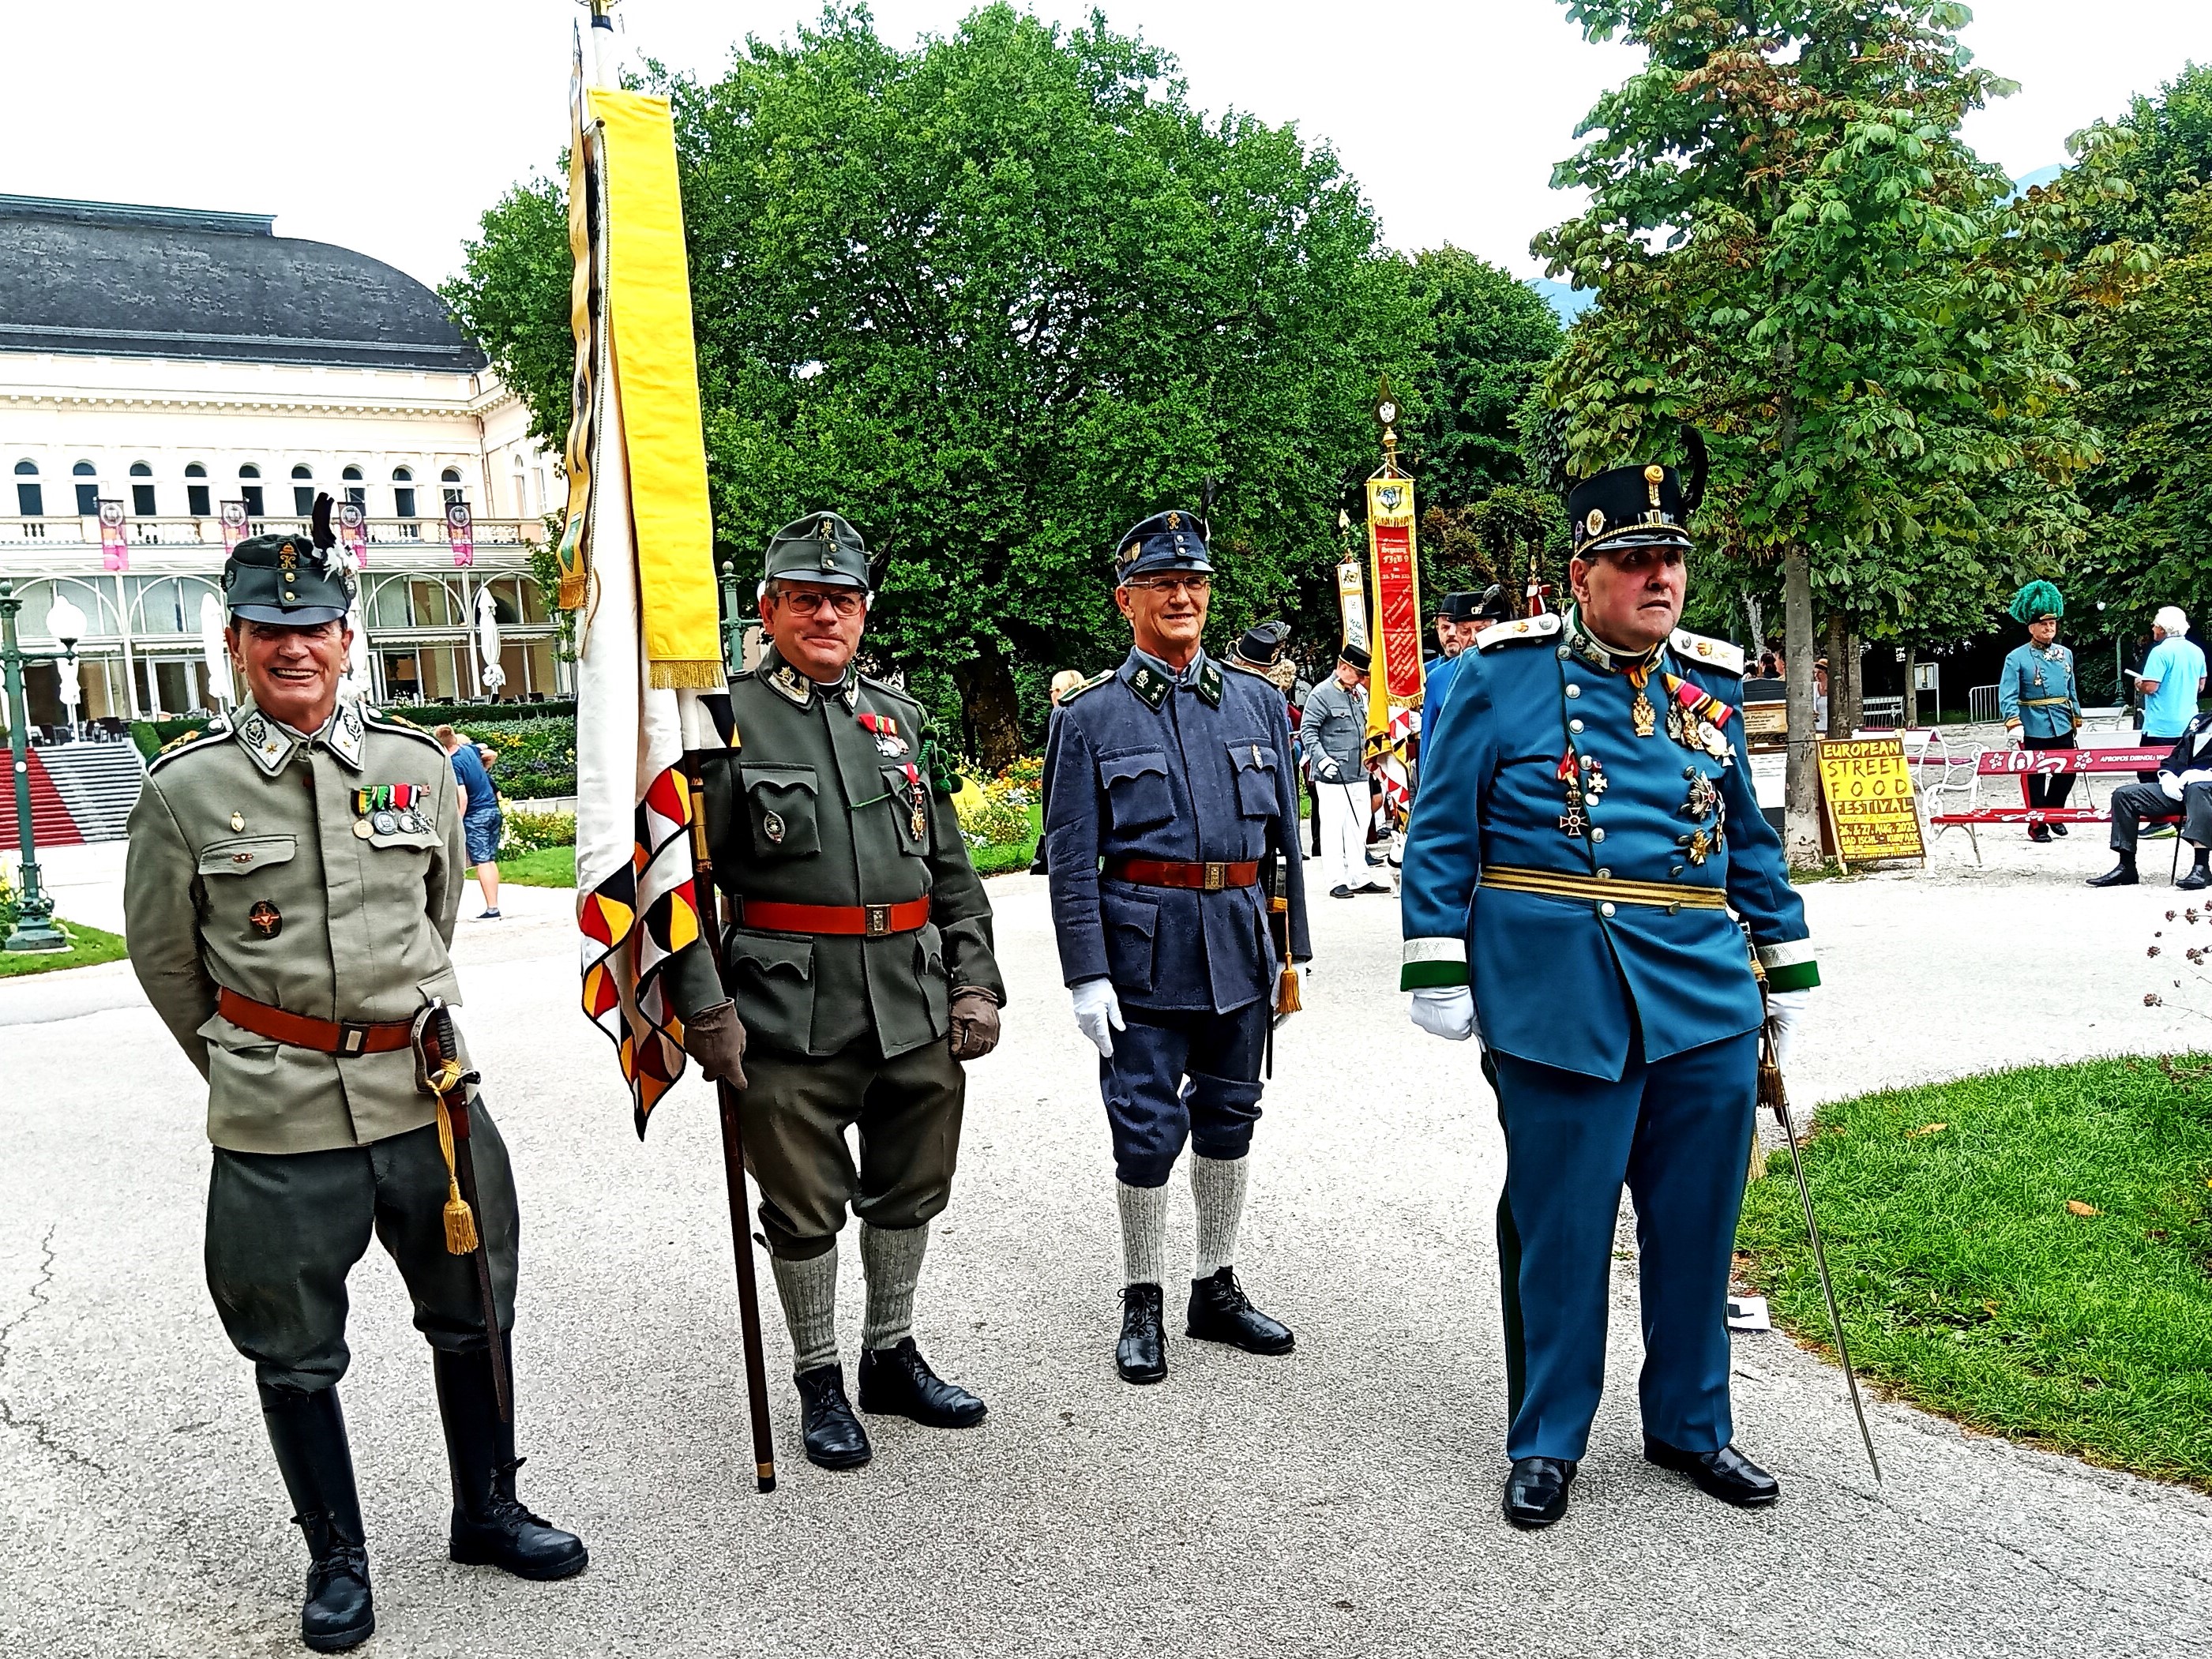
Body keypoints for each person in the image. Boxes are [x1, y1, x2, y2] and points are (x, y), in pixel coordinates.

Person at [124, 509, 584, 1653]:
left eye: (316, 626)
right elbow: (168, 962)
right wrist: (254, 1058)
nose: (297, 647)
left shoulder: (416, 766)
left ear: (347, 635)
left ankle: (486, 1509)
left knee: (476, 1311)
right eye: (270, 629)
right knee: (290, 1344)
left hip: (426, 1098)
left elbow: (432, 921)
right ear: (233, 640)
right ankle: (337, 1556)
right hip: (278, 1118)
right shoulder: (186, 791)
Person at [1399, 452, 1817, 1531]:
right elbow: (1441, 829)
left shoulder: (1711, 683)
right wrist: (1436, 955)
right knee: (1562, 1227)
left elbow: (1747, 843)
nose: (1658, 580)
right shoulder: (1497, 677)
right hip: (1559, 994)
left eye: (1669, 560)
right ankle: (1545, 1439)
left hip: (1702, 995)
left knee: (1696, 1224)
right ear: (1581, 574)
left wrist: (1785, 955)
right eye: (1632, 561)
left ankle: (1690, 1423)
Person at [670, 512, 1004, 1473]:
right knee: (802, 1199)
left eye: (842, 600)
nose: (826, 615)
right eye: (805, 599)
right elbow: (682, 886)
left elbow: (949, 866)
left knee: (913, 1180)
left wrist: (974, 980)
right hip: (782, 1009)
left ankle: (888, 1352)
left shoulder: (897, 720)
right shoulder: (719, 721)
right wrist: (704, 1005)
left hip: (909, 998)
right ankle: (818, 1374)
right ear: (768, 607)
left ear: (865, 611)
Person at [1041, 509, 1311, 1387]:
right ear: (1128, 601)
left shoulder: (1256, 701)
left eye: (1193, 583)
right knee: (1146, 1129)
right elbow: (1071, 859)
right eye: (1162, 584)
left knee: (1231, 1115)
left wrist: (1290, 952)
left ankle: (1215, 1287)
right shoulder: (1089, 716)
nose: (1182, 597)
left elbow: (1282, 847)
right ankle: (1142, 1295)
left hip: (1238, 942)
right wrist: (1084, 974)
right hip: (1141, 951)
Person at [2087, 711, 2212, 889]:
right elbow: (2176, 755)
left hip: (2205, 791)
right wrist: (2167, 775)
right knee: (2125, 795)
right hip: (2182, 789)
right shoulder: (2200, 720)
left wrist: (2206, 775)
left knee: (2198, 788)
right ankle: (2127, 866)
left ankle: (2202, 867)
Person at [1998, 582, 2082, 843]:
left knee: (2068, 770)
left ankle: (2054, 812)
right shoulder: (2016, 657)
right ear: (2031, 626)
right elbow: (2008, 693)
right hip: (2032, 723)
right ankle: (2038, 825)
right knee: (2035, 776)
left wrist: (2076, 716)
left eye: (2052, 623)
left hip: (2062, 722)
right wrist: (2013, 722)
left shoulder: (2065, 654)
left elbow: (2071, 689)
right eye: (2043, 624)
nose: (2049, 628)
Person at [1302, 643, 1386, 898]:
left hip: (1359, 771)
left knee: (1359, 825)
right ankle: (1336, 880)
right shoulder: (1322, 694)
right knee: (1332, 827)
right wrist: (1322, 759)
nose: (1361, 679)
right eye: (1358, 674)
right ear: (1342, 667)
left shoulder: (1357, 694)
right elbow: (1308, 731)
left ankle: (1359, 876)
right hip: (1333, 774)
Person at [435, 725, 503, 917]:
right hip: (492, 810)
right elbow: (490, 752)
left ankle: (492, 908)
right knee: (489, 860)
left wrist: (457, 821)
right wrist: (483, 768)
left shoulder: (453, 763)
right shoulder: (469, 750)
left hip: (475, 815)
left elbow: (462, 797)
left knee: (482, 861)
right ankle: (494, 904)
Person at [2133, 606, 2207, 783]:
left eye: (2155, 625)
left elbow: (2151, 687)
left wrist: (2139, 684)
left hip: (2160, 728)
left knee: (2150, 777)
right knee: (2183, 776)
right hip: (2189, 726)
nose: (2152, 629)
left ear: (2163, 628)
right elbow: (2200, 686)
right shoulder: (2196, 651)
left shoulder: (2160, 652)